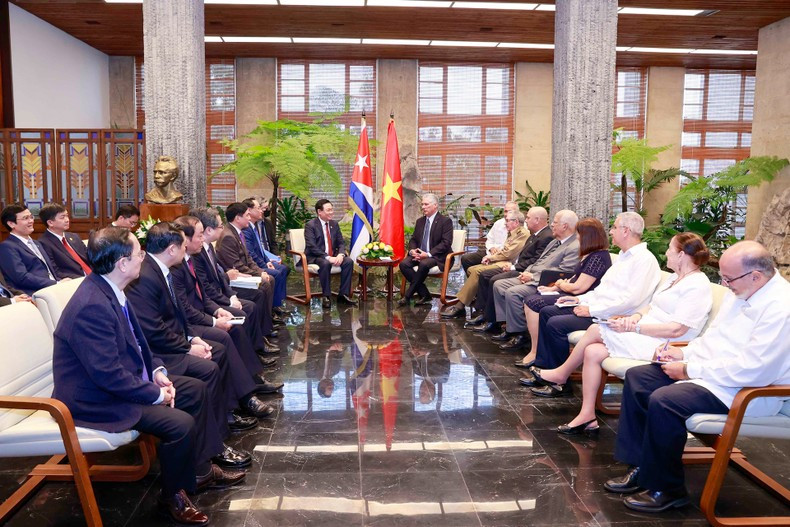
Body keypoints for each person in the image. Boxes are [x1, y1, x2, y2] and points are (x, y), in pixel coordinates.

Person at [52, 227, 245, 526]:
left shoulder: (110, 289)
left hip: (120, 382)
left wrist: (157, 372)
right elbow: (107, 375)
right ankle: (173, 497)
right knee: (179, 424)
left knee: (195, 390)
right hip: (95, 399)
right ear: (122, 263)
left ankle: (200, 471)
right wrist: (155, 394)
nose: (143, 257)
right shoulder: (92, 306)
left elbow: (139, 343)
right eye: (138, 253)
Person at [606, 241, 790, 513]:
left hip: (749, 390)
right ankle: (642, 466)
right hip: (713, 374)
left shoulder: (781, 307)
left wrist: (690, 370)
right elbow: (713, 338)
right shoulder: (741, 291)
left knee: (666, 400)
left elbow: (753, 369)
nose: (725, 284)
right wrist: (683, 354)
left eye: (729, 279)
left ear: (756, 276)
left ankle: (667, 489)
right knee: (639, 378)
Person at [534, 233, 713, 429]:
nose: (666, 253)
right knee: (592, 351)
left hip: (665, 344)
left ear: (681, 255)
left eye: (670, 249)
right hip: (646, 331)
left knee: (595, 328)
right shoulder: (674, 278)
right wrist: (635, 317)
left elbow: (677, 329)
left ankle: (561, 373)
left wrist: (635, 327)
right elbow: (651, 307)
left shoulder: (697, 285)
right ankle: (587, 416)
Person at [126, 222, 274, 433]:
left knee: (219, 347)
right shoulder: (146, 278)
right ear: (172, 249)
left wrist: (193, 337)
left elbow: (180, 312)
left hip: (178, 334)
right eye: (183, 243)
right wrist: (188, 346)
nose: (186, 246)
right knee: (214, 357)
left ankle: (234, 406)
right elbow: (155, 329)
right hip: (160, 351)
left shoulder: (163, 269)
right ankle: (224, 421)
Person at [520, 212, 662, 395]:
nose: (611, 232)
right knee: (548, 312)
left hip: (615, 317)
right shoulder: (623, 257)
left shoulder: (644, 260)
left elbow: (630, 301)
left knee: (556, 323)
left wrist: (591, 310)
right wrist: (579, 300)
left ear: (626, 231)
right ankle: (545, 370)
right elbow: (602, 291)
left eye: (614, 227)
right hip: (600, 309)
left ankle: (558, 383)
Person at [172, 215, 283, 388]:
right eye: (199, 235)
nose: (202, 239)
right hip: (192, 321)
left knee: (240, 318)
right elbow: (188, 305)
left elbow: (206, 291)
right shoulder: (177, 267)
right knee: (229, 330)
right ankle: (248, 385)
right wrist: (214, 319)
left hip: (205, 308)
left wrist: (220, 308)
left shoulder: (192, 256)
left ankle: (254, 373)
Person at [514, 218, 612, 368]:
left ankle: (537, 352)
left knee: (534, 303)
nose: (577, 237)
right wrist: (554, 288)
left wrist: (561, 284)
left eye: (579, 233)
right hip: (575, 295)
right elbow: (574, 278)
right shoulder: (590, 254)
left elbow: (579, 287)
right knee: (533, 298)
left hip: (582, 299)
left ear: (587, 236)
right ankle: (539, 352)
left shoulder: (598, 257)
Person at [188, 207, 280, 354]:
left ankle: (261, 338)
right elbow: (206, 287)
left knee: (258, 294)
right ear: (209, 230)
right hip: (212, 300)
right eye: (220, 226)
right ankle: (256, 347)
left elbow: (221, 274)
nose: (223, 228)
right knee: (250, 306)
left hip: (222, 291)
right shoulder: (197, 254)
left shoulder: (208, 247)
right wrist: (228, 301)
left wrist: (231, 295)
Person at [489, 210, 581, 350]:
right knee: (499, 285)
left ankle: (519, 334)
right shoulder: (555, 242)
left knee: (513, 292)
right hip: (532, 275)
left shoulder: (574, 246)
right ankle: (507, 326)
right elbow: (539, 261)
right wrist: (527, 272)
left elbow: (563, 273)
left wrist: (533, 277)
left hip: (545, 282)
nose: (551, 225)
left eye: (555, 222)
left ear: (565, 226)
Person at [468, 206, 553, 331]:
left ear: (537, 220)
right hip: (520, 267)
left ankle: (492, 320)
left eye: (528, 218)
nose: (526, 220)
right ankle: (485, 314)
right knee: (484, 274)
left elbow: (535, 261)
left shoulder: (546, 236)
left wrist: (513, 267)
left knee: (492, 279)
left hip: (525, 271)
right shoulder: (535, 234)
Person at [441, 210, 529, 319]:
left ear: (516, 222)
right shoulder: (513, 232)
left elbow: (508, 254)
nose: (505, 223)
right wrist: (491, 256)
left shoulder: (522, 234)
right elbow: (504, 250)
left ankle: (461, 305)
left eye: (507, 220)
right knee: (471, 269)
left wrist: (490, 257)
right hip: (503, 260)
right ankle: (475, 299)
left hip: (509, 264)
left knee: (477, 272)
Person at [215, 202, 284, 329]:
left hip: (242, 273)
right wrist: (258, 274)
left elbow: (249, 258)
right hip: (234, 278)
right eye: (247, 215)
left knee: (268, 279)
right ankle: (264, 327)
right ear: (238, 218)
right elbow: (237, 265)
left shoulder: (238, 232)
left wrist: (260, 271)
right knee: (264, 285)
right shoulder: (228, 237)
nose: (249, 217)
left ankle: (267, 321)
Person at [398, 193, 454, 307]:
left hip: (437, 256)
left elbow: (446, 243)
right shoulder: (420, 221)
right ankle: (424, 294)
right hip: (419, 254)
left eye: (426, 204)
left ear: (435, 205)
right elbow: (414, 239)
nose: (423, 207)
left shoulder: (445, 221)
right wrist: (412, 251)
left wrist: (428, 254)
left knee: (423, 264)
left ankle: (408, 296)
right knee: (404, 264)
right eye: (422, 204)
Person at [303, 198, 357, 309]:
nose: (331, 212)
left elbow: (341, 242)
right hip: (316, 256)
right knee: (325, 263)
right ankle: (326, 296)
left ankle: (343, 295)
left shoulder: (334, 224)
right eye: (328, 210)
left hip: (333, 255)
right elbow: (312, 246)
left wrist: (341, 254)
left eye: (332, 209)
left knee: (348, 262)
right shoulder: (310, 225)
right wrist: (327, 257)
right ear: (319, 212)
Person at [0, 203, 62, 294]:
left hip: (54, 288)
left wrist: (61, 282)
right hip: (36, 293)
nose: (31, 221)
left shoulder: (37, 243)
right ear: (11, 224)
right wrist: (55, 284)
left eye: (31, 217)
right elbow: (21, 277)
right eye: (25, 218)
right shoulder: (7, 247)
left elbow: (50, 270)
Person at [241, 197, 290, 309]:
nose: (262, 211)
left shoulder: (254, 226)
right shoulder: (246, 229)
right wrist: (264, 264)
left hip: (263, 260)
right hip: (254, 265)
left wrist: (268, 261)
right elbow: (250, 253)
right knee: (276, 273)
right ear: (249, 210)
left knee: (283, 268)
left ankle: (278, 303)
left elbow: (263, 248)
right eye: (259, 208)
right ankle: (272, 306)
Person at [459, 201, 519, 273]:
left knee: (483, 271)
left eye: (510, 212)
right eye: (505, 211)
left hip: (505, 257)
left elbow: (513, 250)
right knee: (466, 259)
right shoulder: (498, 223)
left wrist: (498, 252)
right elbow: (490, 240)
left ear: (517, 213)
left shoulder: (521, 228)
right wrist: (491, 248)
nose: (506, 214)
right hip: (490, 252)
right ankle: (474, 279)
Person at [37, 202, 92, 278]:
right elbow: (55, 271)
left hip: (93, 275)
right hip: (75, 280)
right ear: (50, 223)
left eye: (67, 216)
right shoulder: (44, 243)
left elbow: (89, 257)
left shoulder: (74, 236)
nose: (67, 220)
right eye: (62, 217)